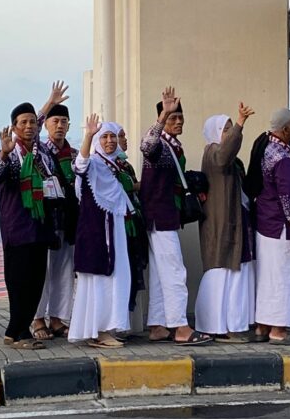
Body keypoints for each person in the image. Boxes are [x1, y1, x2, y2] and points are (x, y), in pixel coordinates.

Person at [0, 101, 60, 350]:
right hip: (18, 229)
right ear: (14, 127)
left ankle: (19, 330)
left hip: (40, 227)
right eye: (23, 123)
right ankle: (16, 331)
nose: (29, 126)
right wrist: (3, 153)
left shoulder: (42, 154)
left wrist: (50, 103)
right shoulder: (10, 155)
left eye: (32, 122)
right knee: (19, 282)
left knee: (37, 282)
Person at [139, 86, 211, 346]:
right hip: (160, 216)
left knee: (161, 274)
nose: (178, 121)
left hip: (164, 215)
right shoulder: (160, 146)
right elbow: (146, 146)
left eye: (180, 117)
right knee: (174, 272)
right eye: (173, 118)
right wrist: (161, 117)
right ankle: (181, 327)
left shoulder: (174, 147)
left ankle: (158, 325)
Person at [68, 117, 133, 348]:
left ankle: (107, 327)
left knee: (116, 276)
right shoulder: (94, 164)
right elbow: (79, 165)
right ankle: (97, 331)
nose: (109, 141)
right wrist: (88, 136)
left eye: (112, 136)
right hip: (96, 234)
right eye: (104, 137)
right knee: (100, 279)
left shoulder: (114, 166)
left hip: (111, 231)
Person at [194, 104, 256, 344]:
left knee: (236, 276)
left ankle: (233, 324)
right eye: (226, 130)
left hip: (236, 224)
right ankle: (217, 326)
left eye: (231, 129)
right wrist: (240, 123)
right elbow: (223, 155)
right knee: (220, 274)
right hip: (221, 227)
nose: (230, 134)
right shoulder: (213, 153)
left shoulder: (232, 160)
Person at [251, 108, 290, 345]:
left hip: (266, 223)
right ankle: (279, 330)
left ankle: (263, 326)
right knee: (285, 278)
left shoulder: (269, 147)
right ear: (285, 129)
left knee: (269, 277)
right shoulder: (283, 158)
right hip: (281, 227)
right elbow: (289, 197)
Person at [33, 83, 75, 341]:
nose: (59, 125)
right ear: (47, 125)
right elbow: (30, 128)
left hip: (68, 219)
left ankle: (58, 318)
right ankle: (37, 318)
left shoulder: (74, 153)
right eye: (55, 121)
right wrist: (49, 103)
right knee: (43, 270)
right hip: (46, 219)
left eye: (64, 121)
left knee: (64, 269)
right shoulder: (41, 150)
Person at [115, 125, 148, 318]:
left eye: (122, 136)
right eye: (120, 136)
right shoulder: (108, 165)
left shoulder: (126, 165)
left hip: (134, 221)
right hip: (121, 224)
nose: (123, 140)